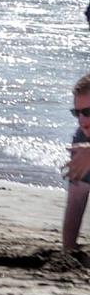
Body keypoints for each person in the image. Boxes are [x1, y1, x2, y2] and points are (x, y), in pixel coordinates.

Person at [65, 72, 90, 257]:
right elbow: (76, 201)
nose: (82, 120)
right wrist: (67, 252)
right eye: (77, 113)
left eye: (88, 112)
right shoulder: (81, 137)